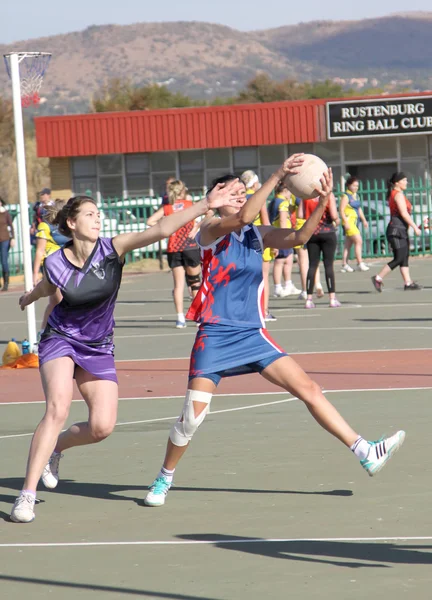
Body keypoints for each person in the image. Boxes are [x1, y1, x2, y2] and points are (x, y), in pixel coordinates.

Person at [143, 159, 406, 508]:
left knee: (309, 389)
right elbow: (240, 218)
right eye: (234, 192)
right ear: (216, 198)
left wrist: (325, 200)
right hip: (216, 334)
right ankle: (165, 475)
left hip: (252, 333)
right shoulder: (208, 228)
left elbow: (299, 237)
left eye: (243, 192)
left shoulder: (257, 234)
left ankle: (365, 451)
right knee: (192, 418)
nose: (240, 196)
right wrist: (279, 175)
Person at [10, 185, 243, 523]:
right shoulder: (56, 261)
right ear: (72, 224)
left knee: (102, 426)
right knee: (57, 408)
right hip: (60, 339)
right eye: (90, 214)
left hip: (98, 346)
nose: (98, 219)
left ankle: (55, 449)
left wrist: (207, 204)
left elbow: (161, 228)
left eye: (99, 214)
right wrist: (29, 298)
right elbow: (49, 285)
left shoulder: (113, 249)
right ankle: (26, 495)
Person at [147, 179, 201, 328]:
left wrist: (165, 227)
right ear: (183, 191)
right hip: (190, 246)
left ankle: (180, 318)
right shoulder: (190, 206)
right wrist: (196, 227)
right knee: (195, 281)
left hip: (174, 247)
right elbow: (207, 213)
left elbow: (150, 221)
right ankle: (197, 316)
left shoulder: (167, 208)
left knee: (178, 285)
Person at [371, 172, 421, 292]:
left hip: (401, 230)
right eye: (403, 180)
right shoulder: (397, 195)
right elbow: (403, 213)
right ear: (397, 183)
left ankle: (408, 283)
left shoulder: (399, 194)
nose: (406, 182)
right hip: (396, 230)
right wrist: (415, 227)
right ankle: (378, 277)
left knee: (404, 257)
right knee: (399, 257)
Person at [241, 170, 276, 321]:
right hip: (258, 240)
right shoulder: (258, 198)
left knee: (244, 277)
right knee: (263, 278)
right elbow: (266, 223)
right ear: (255, 183)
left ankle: (247, 310)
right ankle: (264, 311)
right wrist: (273, 243)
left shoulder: (240, 198)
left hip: (242, 241)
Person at [33, 199, 70, 335]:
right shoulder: (45, 226)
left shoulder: (68, 226)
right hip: (53, 268)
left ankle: (43, 332)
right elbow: (40, 250)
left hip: (68, 266)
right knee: (62, 301)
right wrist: (35, 273)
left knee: (54, 301)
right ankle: (60, 332)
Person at [301, 192, 341, 309]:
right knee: (328, 265)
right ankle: (332, 298)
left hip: (312, 233)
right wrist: (337, 221)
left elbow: (301, 214)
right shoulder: (328, 195)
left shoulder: (306, 195)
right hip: (327, 231)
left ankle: (309, 299)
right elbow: (333, 215)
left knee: (313, 265)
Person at [267, 182, 301, 297]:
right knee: (280, 261)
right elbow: (282, 220)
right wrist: (284, 235)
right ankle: (277, 287)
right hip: (281, 235)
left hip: (278, 234)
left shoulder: (273, 201)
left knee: (289, 259)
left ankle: (288, 284)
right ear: (285, 191)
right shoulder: (282, 203)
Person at [339, 177, 369, 273]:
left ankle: (344, 264)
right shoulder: (346, 196)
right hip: (349, 222)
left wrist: (364, 220)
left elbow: (359, 209)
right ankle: (359, 263)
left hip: (355, 222)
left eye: (357, 186)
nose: (356, 187)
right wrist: (345, 222)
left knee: (348, 244)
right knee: (358, 241)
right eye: (354, 185)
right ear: (349, 185)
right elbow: (341, 210)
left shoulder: (356, 196)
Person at [0, 197, 15, 292]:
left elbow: (11, 226)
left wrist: (12, 238)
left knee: (4, 260)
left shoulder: (5, 213)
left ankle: (6, 283)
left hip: (5, 239)